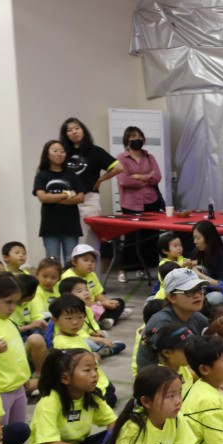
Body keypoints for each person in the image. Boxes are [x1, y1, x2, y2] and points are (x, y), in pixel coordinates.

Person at [24, 349, 116, 444]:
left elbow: (114, 423)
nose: (94, 375)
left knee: (120, 433)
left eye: (95, 369)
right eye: (87, 370)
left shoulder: (92, 396)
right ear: (65, 378)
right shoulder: (49, 402)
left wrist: (114, 440)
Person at [59, 117, 122, 253]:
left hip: (88, 200)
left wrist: (101, 179)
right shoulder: (63, 153)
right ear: (65, 134)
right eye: (69, 130)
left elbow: (118, 167)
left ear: (83, 130)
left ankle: (91, 266)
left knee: (89, 240)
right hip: (67, 200)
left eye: (77, 128)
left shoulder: (95, 151)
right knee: (69, 240)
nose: (74, 132)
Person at [0, 274, 37, 427]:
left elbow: (16, 351)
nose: (13, 307)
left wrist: (24, 376)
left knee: (18, 429)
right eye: (8, 302)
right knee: (0, 431)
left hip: (18, 387)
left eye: (15, 302)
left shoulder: (9, 321)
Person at [135, 268, 211, 371]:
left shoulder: (196, 316)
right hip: (159, 376)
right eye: (189, 291)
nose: (198, 295)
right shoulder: (161, 323)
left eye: (200, 289)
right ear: (171, 297)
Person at [115, 126, 165, 280]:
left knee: (150, 237)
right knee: (131, 238)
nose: (136, 139)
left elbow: (157, 176)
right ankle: (124, 269)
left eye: (139, 136)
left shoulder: (149, 157)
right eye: (132, 137)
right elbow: (124, 180)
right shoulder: (121, 158)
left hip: (151, 201)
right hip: (130, 204)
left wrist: (139, 177)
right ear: (126, 140)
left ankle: (145, 268)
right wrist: (146, 178)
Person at [49, 296, 118, 407]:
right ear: (55, 320)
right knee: (110, 399)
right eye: (69, 318)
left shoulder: (76, 335)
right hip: (83, 384)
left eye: (80, 317)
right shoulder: (61, 343)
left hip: (95, 378)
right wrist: (93, 357)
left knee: (111, 389)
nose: (75, 322)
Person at [32, 140, 85, 265]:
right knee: (52, 261)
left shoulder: (71, 175)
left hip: (71, 224)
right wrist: (66, 194)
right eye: (55, 151)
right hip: (50, 225)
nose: (59, 154)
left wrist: (53, 199)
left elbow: (80, 198)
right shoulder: (41, 176)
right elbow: (42, 198)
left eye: (62, 151)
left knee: (70, 261)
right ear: (47, 154)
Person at [58, 244, 127, 330]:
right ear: (74, 261)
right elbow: (75, 302)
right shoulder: (67, 277)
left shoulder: (92, 275)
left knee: (119, 302)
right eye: (85, 260)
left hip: (95, 305)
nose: (90, 264)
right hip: (79, 308)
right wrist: (101, 304)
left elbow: (97, 293)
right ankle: (111, 318)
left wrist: (107, 302)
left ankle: (109, 319)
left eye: (93, 261)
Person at [192, 220, 223, 307]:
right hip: (199, 290)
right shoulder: (199, 251)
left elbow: (222, 285)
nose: (195, 241)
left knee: (217, 297)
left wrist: (200, 275)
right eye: (194, 238)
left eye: (198, 238)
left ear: (208, 238)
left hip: (214, 291)